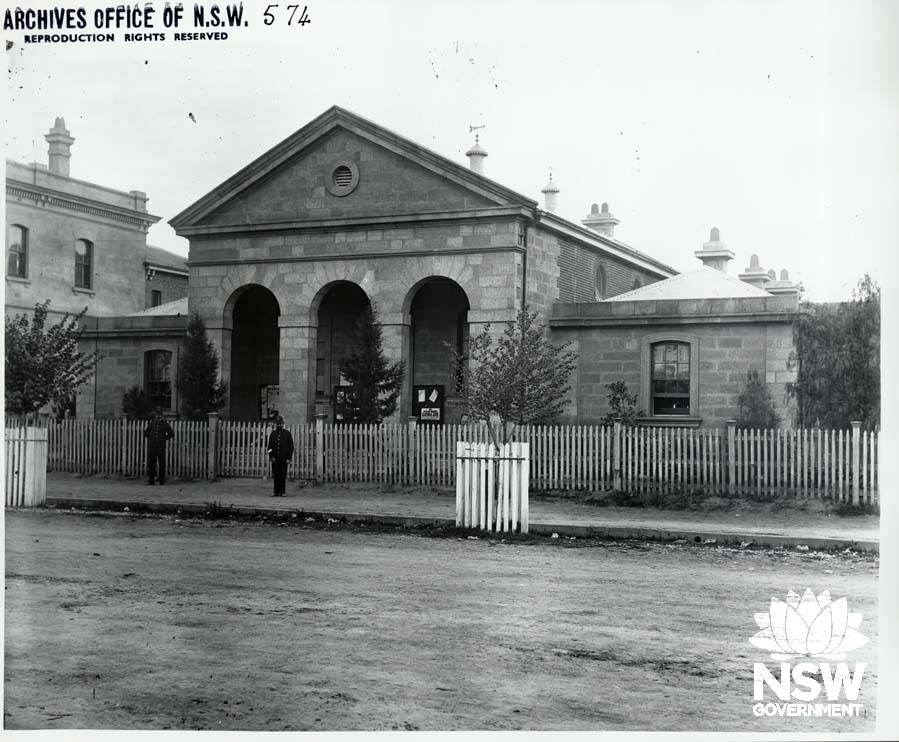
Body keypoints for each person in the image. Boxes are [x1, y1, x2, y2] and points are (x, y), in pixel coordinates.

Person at [144, 408, 175, 485]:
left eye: (159, 415)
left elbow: (171, 434)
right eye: (157, 414)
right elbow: (146, 433)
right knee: (151, 464)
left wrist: (164, 438)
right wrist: (151, 438)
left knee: (162, 464)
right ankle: (151, 481)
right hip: (153, 447)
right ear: (155, 415)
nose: (158, 416)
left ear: (161, 415)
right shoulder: (152, 423)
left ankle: (162, 481)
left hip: (161, 447)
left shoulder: (165, 424)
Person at [266, 415, 294, 497]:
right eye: (277, 424)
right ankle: (275, 492)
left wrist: (289, 458)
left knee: (282, 476)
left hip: (284, 459)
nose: (279, 425)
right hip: (275, 459)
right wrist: (271, 456)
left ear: (282, 424)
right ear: (275, 425)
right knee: (275, 475)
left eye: (280, 424)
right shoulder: (273, 434)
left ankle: (282, 492)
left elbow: (291, 447)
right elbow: (269, 448)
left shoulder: (287, 434)